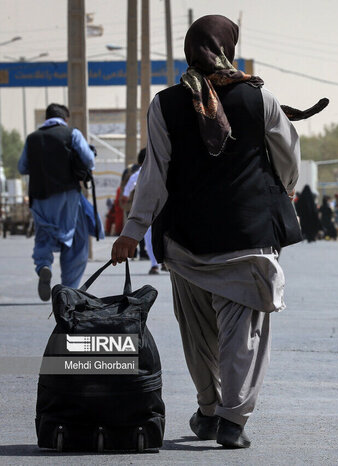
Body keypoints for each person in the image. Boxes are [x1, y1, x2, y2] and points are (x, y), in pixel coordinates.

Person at [111, 15, 304, 449]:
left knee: (198, 334)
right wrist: (285, 189)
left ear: (189, 50)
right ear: (229, 48)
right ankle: (232, 420)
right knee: (243, 336)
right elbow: (288, 155)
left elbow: (154, 174)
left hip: (186, 244)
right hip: (248, 239)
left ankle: (210, 409)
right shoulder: (260, 98)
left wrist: (133, 230)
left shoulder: (165, 103)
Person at [18, 103, 95, 300]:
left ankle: (43, 265)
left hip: (40, 197)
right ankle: (68, 289)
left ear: (46, 118)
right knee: (76, 242)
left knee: (43, 234)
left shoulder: (32, 138)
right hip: (68, 197)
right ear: (65, 118)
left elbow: (22, 167)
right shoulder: (72, 134)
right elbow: (89, 160)